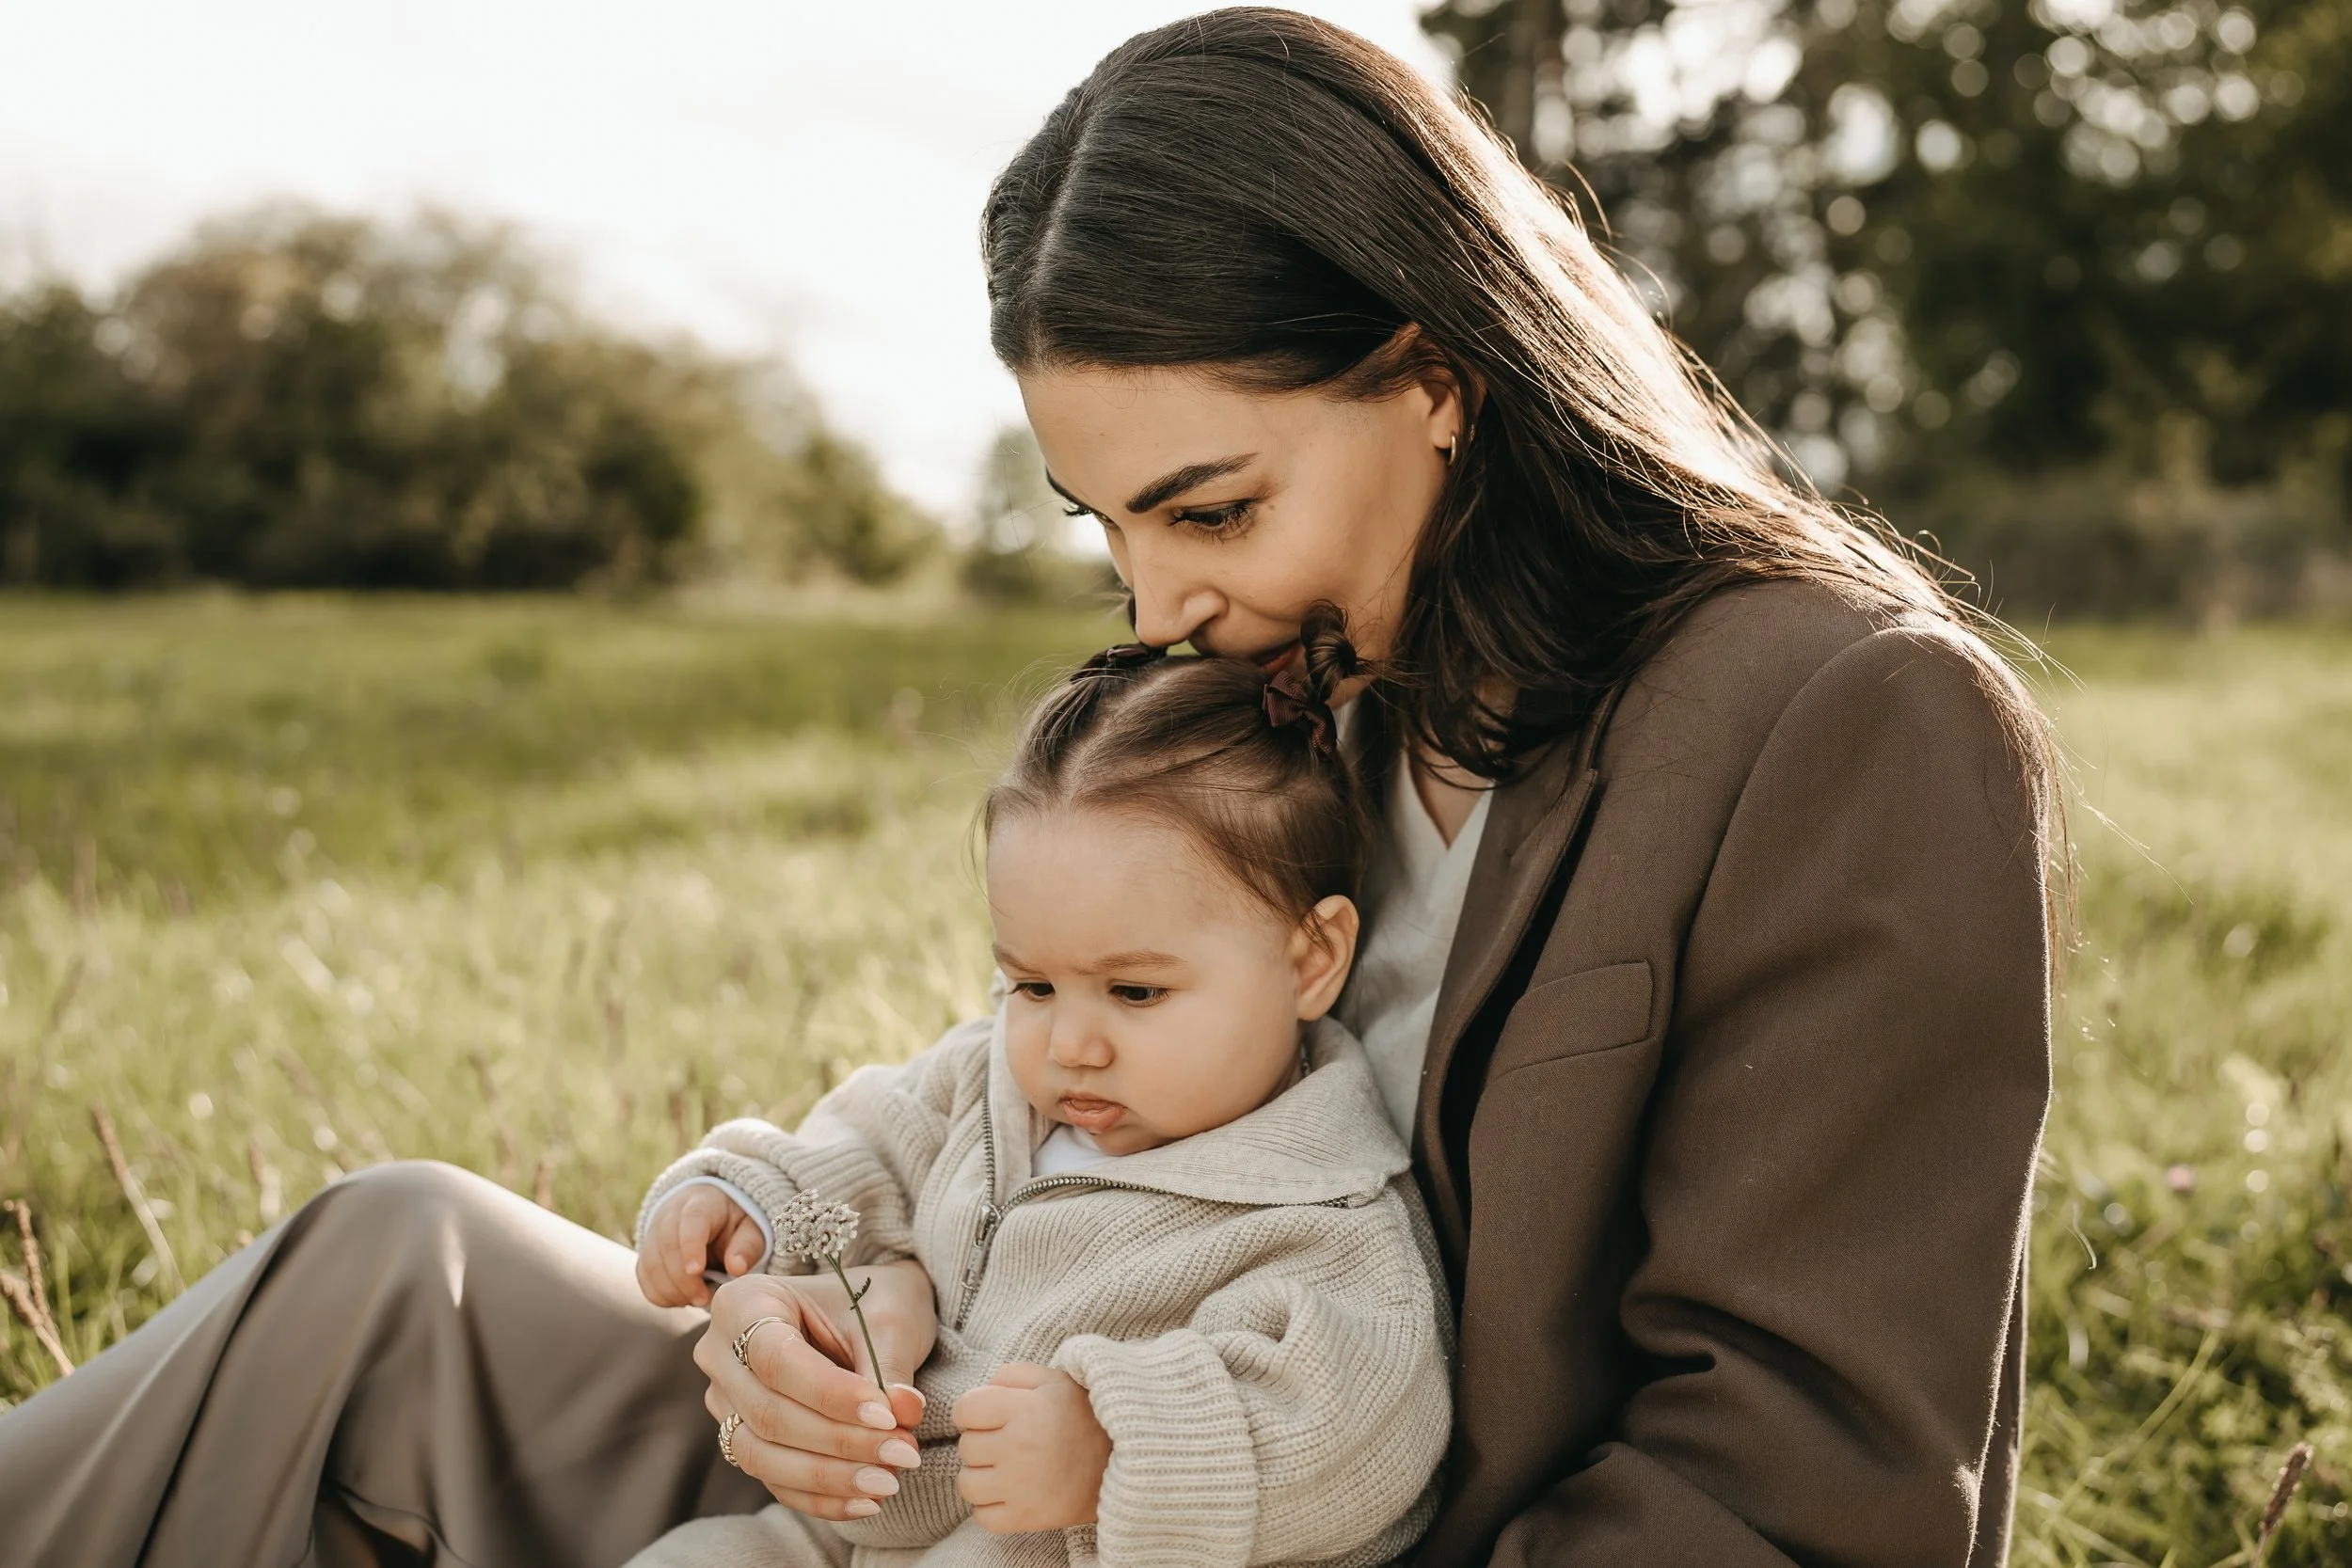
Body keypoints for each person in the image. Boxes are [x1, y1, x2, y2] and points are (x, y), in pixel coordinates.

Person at [0, 9, 2053, 1566]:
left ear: (1438, 371)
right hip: (968, 1485)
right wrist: (808, 1319)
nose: (1164, 607)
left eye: (1212, 504)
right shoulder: (1301, 686)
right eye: (1105, 533)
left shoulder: (1839, 716)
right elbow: (1048, 1095)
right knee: (401, 1266)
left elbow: (1798, 1491)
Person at [626, 624, 1451, 1568]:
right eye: (1033, 984)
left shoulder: (1322, 1215)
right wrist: (743, 1203)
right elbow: (865, 1140)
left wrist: (1113, 1446)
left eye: (1135, 991)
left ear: (1309, 960)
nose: (1068, 1044)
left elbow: (1365, 1432)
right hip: (844, 1523)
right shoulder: (987, 1083)